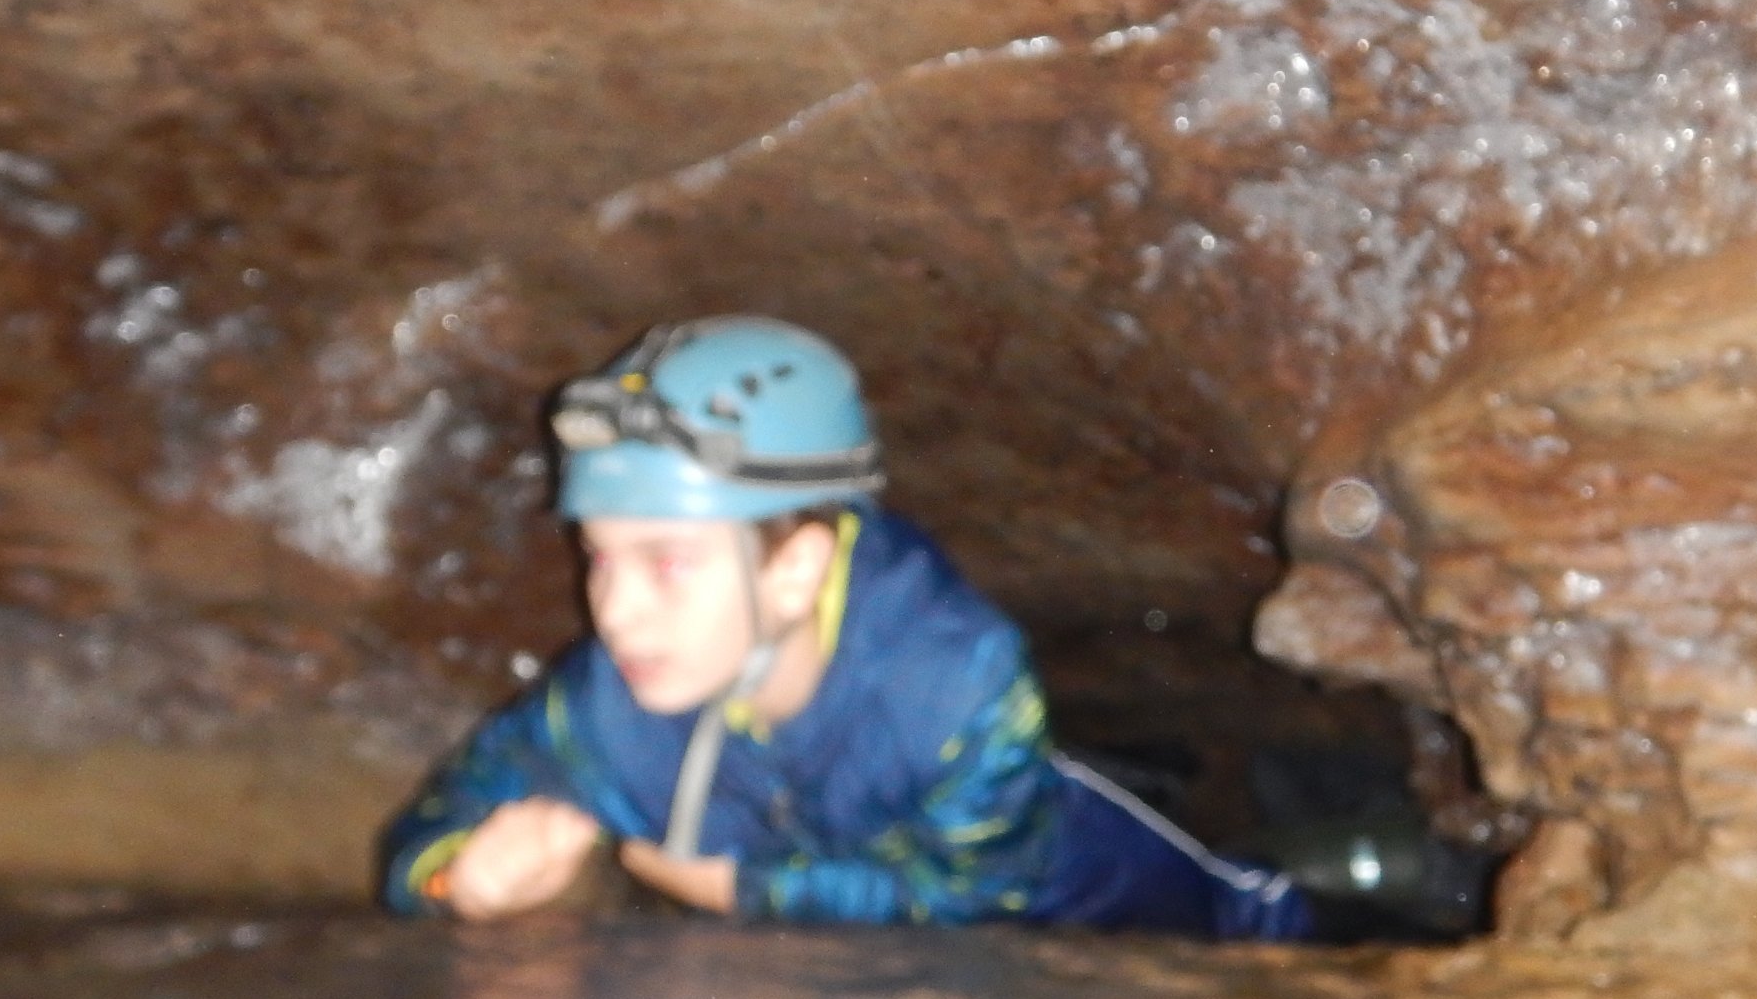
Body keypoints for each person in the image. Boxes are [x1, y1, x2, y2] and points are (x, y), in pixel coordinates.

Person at [378, 317, 1314, 939]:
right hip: (872, 953)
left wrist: (752, 892)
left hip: (1098, 902)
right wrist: (455, 879)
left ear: (794, 571)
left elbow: (978, 892)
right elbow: (428, 834)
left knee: (1267, 920)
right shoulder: (607, 707)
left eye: (667, 563)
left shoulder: (952, 682)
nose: (613, 612)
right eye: (599, 557)